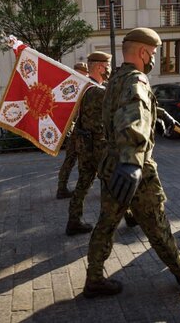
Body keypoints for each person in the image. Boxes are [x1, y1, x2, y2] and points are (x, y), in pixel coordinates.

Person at [83, 28, 180, 298]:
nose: (154, 58)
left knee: (106, 224)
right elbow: (132, 117)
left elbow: (136, 105)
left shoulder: (117, 79)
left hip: (111, 164)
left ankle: (93, 279)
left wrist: (162, 115)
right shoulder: (137, 81)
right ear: (143, 52)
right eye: (154, 53)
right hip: (134, 169)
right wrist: (132, 163)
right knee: (156, 223)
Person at [65, 52, 111, 236]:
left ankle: (73, 221)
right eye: (108, 66)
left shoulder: (84, 87)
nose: (109, 70)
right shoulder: (99, 91)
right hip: (99, 147)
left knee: (83, 184)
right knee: (111, 182)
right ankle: (125, 216)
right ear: (100, 67)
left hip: (85, 145)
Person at [56, 62, 89, 199]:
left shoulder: (72, 85)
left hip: (78, 131)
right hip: (80, 132)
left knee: (71, 161)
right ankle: (69, 189)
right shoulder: (77, 87)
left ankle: (62, 188)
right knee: (86, 161)